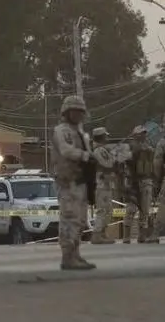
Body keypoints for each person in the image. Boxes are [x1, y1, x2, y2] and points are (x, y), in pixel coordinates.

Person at [51, 95, 97, 270]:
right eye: (75, 111)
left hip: (80, 180)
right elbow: (66, 151)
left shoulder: (80, 133)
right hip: (67, 181)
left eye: (80, 112)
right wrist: (85, 156)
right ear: (67, 112)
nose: (78, 115)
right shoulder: (62, 131)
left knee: (80, 219)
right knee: (69, 218)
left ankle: (76, 254)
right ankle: (67, 256)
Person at [121, 125, 154, 243]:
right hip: (132, 181)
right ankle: (126, 236)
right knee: (131, 209)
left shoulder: (149, 148)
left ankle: (142, 235)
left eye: (144, 133)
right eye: (141, 133)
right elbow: (123, 160)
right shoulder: (128, 146)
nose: (143, 135)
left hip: (146, 180)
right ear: (135, 134)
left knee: (145, 209)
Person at [90, 126, 116, 244]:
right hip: (101, 184)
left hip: (106, 184)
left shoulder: (102, 150)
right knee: (102, 210)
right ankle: (97, 234)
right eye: (105, 136)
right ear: (101, 137)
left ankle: (103, 233)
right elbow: (106, 165)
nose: (107, 138)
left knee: (108, 210)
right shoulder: (98, 151)